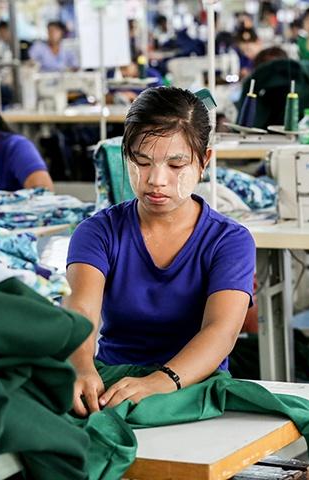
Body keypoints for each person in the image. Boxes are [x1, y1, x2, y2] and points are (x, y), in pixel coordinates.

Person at [64, 87, 255, 415]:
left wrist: (161, 381)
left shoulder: (229, 241)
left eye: (176, 165)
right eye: (141, 160)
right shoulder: (97, 233)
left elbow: (221, 330)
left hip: (194, 385)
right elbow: (81, 310)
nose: (156, 180)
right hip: (113, 381)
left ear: (204, 161)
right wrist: (81, 365)